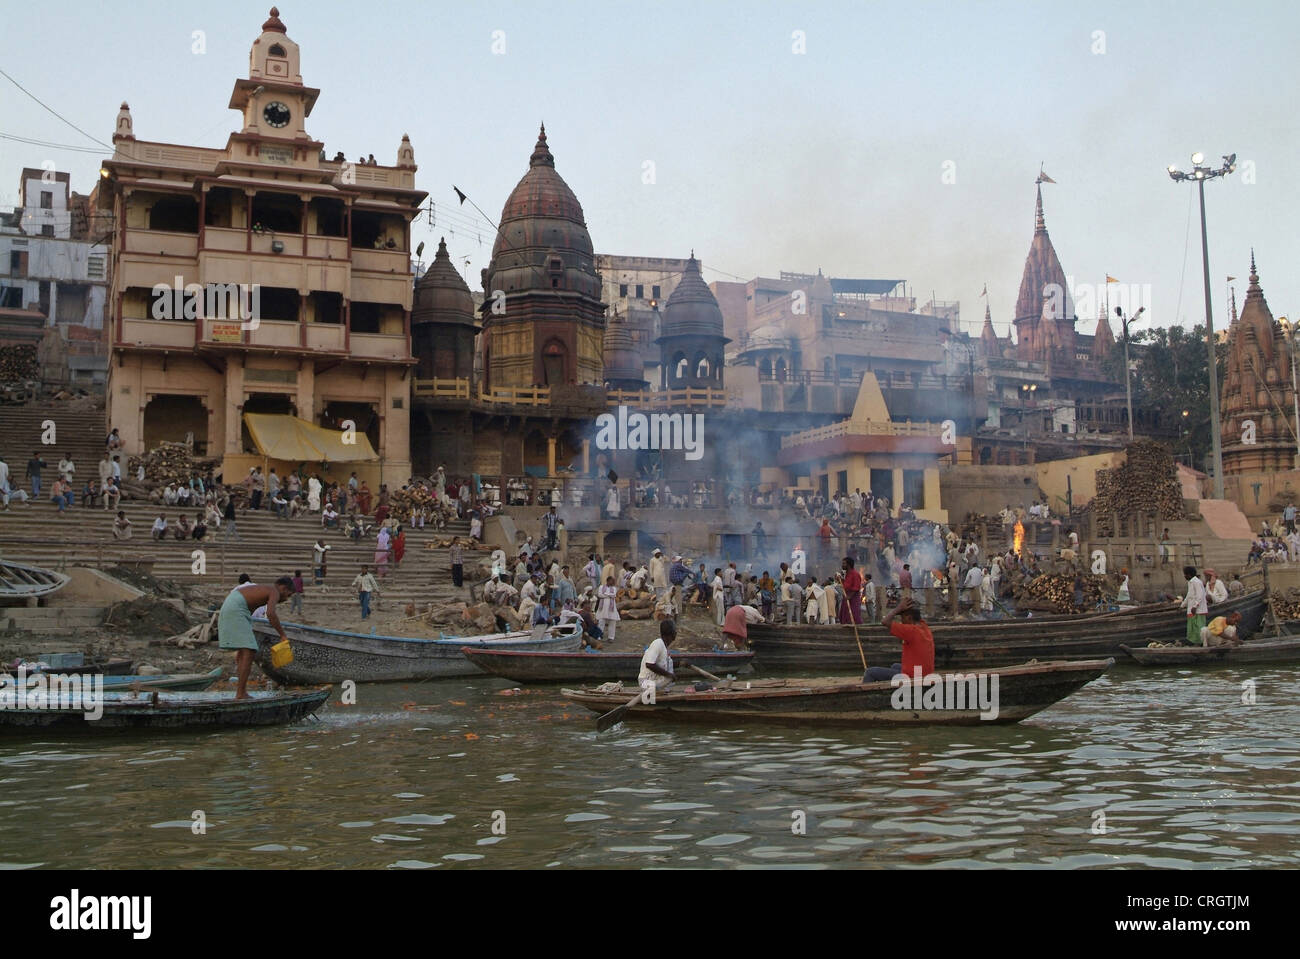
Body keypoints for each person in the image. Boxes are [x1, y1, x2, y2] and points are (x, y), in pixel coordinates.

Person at [219, 577, 293, 699]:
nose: (286, 599)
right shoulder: (274, 591)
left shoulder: (263, 590)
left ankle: (240, 692)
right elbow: (271, 614)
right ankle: (241, 693)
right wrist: (282, 635)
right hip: (236, 608)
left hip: (232, 606)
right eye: (288, 595)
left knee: (245, 651)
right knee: (249, 651)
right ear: (284, 588)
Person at [864, 596, 934, 682]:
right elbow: (915, 614)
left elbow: (885, 621)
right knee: (895, 666)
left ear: (909, 618)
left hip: (913, 677)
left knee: (870, 672)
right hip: (923, 673)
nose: (901, 621)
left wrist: (898, 608)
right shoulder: (924, 627)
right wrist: (901, 610)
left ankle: (864, 694)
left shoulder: (911, 630)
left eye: (902, 617)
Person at [639, 618, 677, 694]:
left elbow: (663, 664)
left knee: (671, 676)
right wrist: (669, 675)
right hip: (646, 683)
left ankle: (663, 691)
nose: (676, 633)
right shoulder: (658, 643)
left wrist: (680, 664)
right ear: (671, 633)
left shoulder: (664, 647)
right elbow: (649, 664)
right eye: (675, 631)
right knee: (671, 678)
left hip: (654, 682)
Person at [1179, 565, 1208, 646]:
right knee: (1193, 627)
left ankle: (1201, 642)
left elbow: (1200, 595)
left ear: (1189, 574)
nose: (1184, 576)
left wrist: (1195, 606)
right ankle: (1196, 642)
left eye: (1185, 574)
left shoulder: (1197, 582)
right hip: (1192, 609)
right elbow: (1189, 595)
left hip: (1198, 610)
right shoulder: (1190, 582)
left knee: (1199, 627)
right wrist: (1182, 606)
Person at [596, 575, 620, 643]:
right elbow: (600, 595)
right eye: (612, 581)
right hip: (603, 608)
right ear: (608, 581)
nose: (613, 582)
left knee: (612, 622)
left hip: (612, 608)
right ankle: (599, 636)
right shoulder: (601, 587)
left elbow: (614, 595)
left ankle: (611, 637)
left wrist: (606, 594)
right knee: (601, 622)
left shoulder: (614, 588)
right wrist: (609, 595)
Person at [840, 556, 863, 624]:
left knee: (853, 615)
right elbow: (846, 585)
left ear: (848, 565)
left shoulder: (855, 574)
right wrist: (841, 579)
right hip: (846, 597)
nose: (842, 565)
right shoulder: (847, 574)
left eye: (844, 563)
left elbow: (856, 587)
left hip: (853, 599)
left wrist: (849, 596)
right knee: (845, 615)